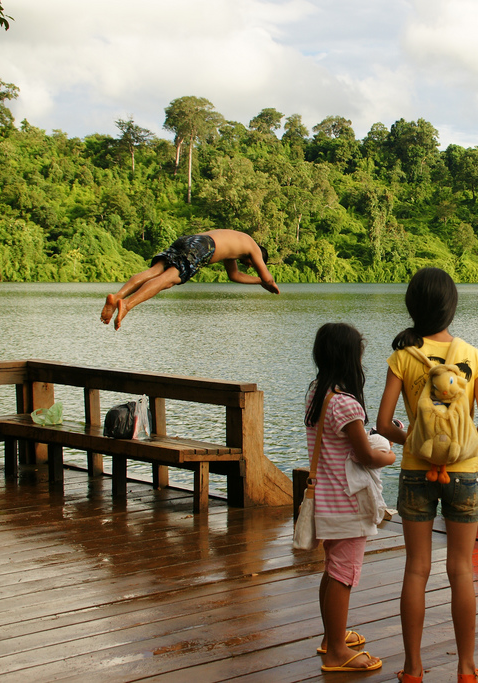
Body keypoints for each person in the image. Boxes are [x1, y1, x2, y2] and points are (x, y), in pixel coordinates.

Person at [375, 267, 478, 683]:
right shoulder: (473, 356)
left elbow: (383, 421)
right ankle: (465, 669)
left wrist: (411, 440)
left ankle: (412, 669)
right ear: (451, 306)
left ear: (413, 306)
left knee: (416, 569)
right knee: (461, 568)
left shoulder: (403, 356)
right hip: (462, 474)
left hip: (414, 472)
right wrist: (465, 452)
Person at [304, 323, 395, 673]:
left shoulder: (318, 392)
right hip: (347, 501)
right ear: (349, 359)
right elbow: (365, 456)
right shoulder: (345, 404)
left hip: (327, 498)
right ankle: (337, 653)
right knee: (344, 574)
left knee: (332, 570)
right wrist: (388, 454)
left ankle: (332, 638)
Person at [100, 229, 279, 329]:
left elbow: (234, 276)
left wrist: (258, 282)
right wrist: (268, 283)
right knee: (167, 280)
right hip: (202, 247)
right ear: (258, 258)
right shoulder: (254, 247)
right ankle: (128, 304)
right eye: (252, 264)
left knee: (156, 270)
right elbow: (267, 277)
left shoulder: (237, 242)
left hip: (190, 240)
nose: (249, 266)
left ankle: (117, 297)